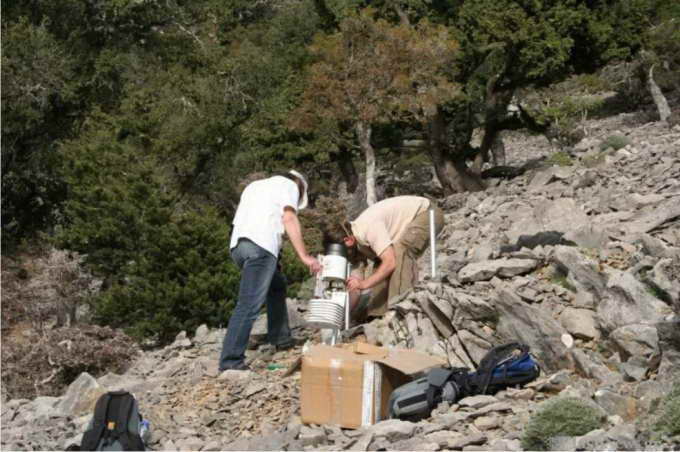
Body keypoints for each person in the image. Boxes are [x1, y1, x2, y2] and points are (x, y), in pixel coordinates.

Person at [219, 170, 321, 371]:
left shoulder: (255, 186)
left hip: (238, 246)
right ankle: (230, 362)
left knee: (276, 285)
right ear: (300, 186)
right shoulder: (290, 185)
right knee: (248, 304)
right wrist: (304, 256)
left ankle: (280, 337)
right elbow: (289, 218)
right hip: (261, 247)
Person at [336, 195, 444, 320]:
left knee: (399, 252)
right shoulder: (355, 243)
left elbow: (390, 262)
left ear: (348, 240)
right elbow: (355, 283)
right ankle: (377, 316)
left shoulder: (368, 228)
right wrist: (341, 317)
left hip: (427, 213)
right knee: (380, 263)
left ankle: (400, 310)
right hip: (412, 219)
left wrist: (364, 284)